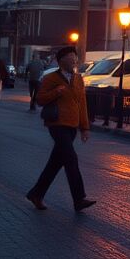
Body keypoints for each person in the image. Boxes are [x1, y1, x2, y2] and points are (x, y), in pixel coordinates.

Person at [26, 46, 95, 211]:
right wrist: (56, 92)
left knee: (55, 163)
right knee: (71, 159)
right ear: (61, 60)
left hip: (72, 126)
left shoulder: (78, 79)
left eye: (75, 56)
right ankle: (79, 199)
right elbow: (40, 100)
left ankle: (36, 194)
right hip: (57, 125)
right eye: (70, 56)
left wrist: (85, 127)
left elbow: (82, 104)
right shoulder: (51, 78)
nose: (74, 59)